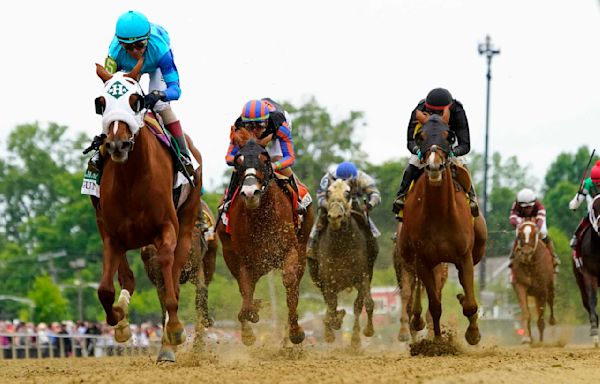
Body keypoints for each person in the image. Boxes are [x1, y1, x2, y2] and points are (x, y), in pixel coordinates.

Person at [87, 10, 194, 176]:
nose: (135, 52)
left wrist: (158, 94)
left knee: (161, 106)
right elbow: (108, 85)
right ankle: (99, 154)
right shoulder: (114, 53)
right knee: (114, 101)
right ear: (121, 44)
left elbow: (175, 89)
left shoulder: (160, 49)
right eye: (128, 47)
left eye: (140, 45)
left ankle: (184, 155)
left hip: (155, 66)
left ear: (148, 39)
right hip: (126, 70)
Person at [391, 88, 479, 220]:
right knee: (413, 163)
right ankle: (401, 196)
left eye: (440, 112)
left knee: (463, 163)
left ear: (449, 108)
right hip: (425, 145)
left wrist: (453, 153)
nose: (436, 115)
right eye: (432, 112)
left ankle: (472, 198)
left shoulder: (458, 111)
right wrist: (417, 151)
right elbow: (410, 141)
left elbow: (465, 145)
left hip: (448, 145)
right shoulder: (419, 110)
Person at [222, 98, 311, 213]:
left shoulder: (280, 125)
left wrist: (275, 166)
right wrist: (239, 160)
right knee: (243, 163)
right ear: (244, 124)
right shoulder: (238, 129)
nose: (255, 131)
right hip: (261, 129)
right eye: (250, 126)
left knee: (276, 157)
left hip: (274, 132)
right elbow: (228, 157)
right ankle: (228, 200)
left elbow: (290, 157)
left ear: (267, 121)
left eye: (260, 125)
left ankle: (298, 199)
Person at [307, 161, 381, 284]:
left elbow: (376, 194)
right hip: (331, 204)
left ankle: (372, 246)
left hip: (353, 203)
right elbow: (320, 196)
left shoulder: (362, 178)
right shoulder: (328, 178)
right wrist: (329, 205)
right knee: (320, 220)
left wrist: (369, 204)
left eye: (348, 181)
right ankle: (312, 246)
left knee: (365, 220)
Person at [508, 188, 560, 271]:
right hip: (522, 219)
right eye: (525, 207)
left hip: (537, 219)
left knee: (543, 233)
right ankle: (512, 257)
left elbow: (540, 221)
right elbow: (512, 219)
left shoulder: (540, 207)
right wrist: (518, 225)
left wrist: (536, 228)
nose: (527, 210)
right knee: (520, 234)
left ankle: (553, 257)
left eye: (529, 207)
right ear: (519, 204)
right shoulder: (516, 205)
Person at [568, 160, 600, 267]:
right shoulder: (587, 184)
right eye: (596, 183)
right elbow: (576, 202)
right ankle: (577, 255)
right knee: (579, 233)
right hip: (593, 211)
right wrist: (574, 204)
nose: (598, 185)